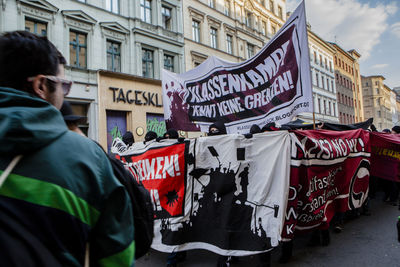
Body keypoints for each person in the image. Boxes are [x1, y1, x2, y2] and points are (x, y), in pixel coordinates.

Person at [0, 31, 134, 266]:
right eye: (63, 85)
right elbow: (117, 257)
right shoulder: (88, 159)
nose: (64, 94)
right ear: (41, 85)